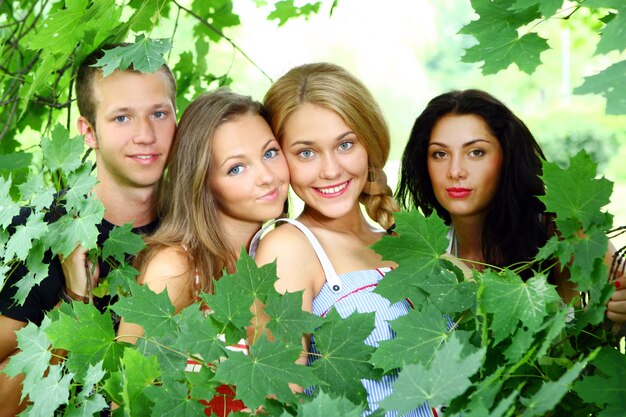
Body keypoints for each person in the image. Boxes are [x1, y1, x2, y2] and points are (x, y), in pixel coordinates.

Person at [0, 44, 177, 416]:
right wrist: (74, 305)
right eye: (122, 118)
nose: (146, 134)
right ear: (88, 131)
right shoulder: (39, 233)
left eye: (159, 113)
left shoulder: (193, 227)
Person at [252, 62, 435, 417]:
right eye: (306, 152)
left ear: (369, 143)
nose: (331, 170)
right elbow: (277, 401)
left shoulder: (401, 237)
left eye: (345, 145)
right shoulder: (288, 249)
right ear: (280, 159)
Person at [115, 88, 290, 416]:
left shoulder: (282, 259)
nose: (267, 177)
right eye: (236, 168)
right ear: (203, 182)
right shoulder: (178, 267)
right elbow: (125, 399)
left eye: (269, 153)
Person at [395, 88, 626, 323]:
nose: (455, 171)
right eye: (440, 154)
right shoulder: (429, 254)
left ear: (507, 157)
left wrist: (619, 318)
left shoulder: (561, 234)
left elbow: (610, 320)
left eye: (476, 152)